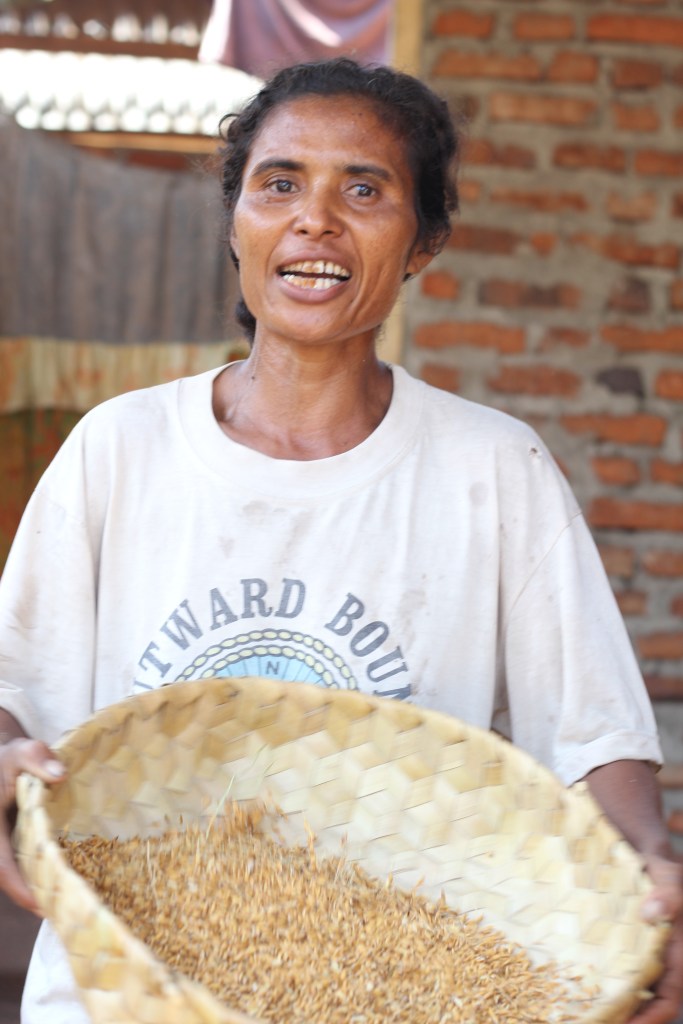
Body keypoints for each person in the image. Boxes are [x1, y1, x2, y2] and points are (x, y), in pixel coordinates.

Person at [0, 57, 681, 1023]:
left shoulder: (493, 469)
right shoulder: (121, 448)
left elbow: (595, 745)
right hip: (118, 987)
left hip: (396, 993)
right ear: (236, 221)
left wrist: (647, 873)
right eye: (279, 184)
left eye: (363, 188)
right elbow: (11, 699)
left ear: (422, 241)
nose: (313, 218)